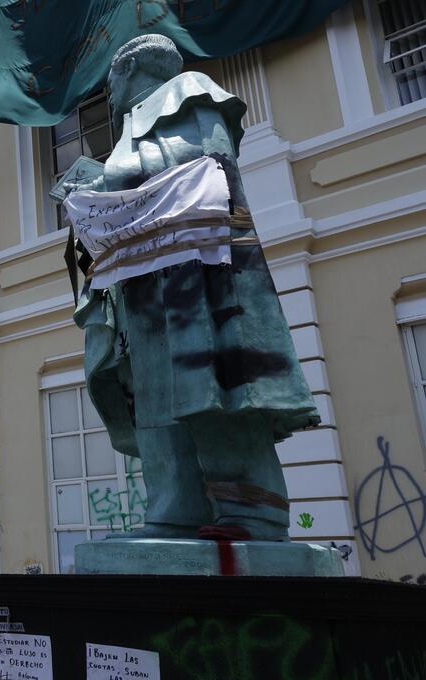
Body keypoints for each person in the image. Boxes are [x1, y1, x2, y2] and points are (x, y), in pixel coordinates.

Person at [66, 35, 318, 542]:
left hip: (195, 278)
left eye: (111, 81)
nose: (109, 96)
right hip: (142, 285)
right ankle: (174, 507)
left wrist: (106, 185)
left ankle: (253, 512)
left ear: (132, 67)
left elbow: (203, 169)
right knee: (152, 398)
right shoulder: (131, 128)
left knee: (214, 385)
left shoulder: (189, 94)